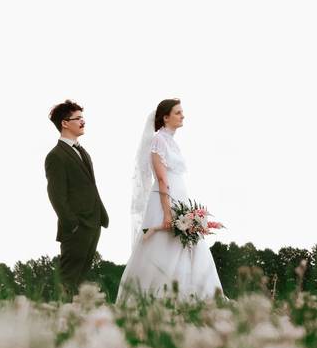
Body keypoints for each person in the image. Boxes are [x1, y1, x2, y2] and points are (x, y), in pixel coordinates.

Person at [116, 99, 224, 303]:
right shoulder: (158, 140)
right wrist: (167, 213)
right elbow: (162, 178)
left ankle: (191, 296)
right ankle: (157, 297)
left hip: (180, 200)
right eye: (178, 112)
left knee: (187, 246)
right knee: (164, 246)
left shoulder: (172, 141)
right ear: (165, 117)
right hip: (165, 202)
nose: (182, 116)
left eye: (182, 112)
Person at [44, 100, 109, 296]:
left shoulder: (83, 152)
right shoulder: (55, 156)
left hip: (93, 222)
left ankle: (77, 320)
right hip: (76, 226)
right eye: (78, 118)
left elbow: (90, 187)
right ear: (65, 123)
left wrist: (101, 215)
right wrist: (71, 223)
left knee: (81, 279)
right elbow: (56, 194)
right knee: (68, 278)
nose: (83, 122)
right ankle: (56, 318)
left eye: (83, 118)